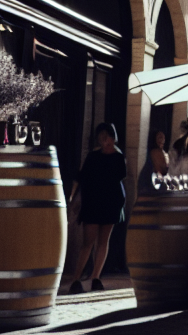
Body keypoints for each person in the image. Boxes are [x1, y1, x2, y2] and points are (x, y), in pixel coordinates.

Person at [65, 123, 127, 294]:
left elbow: (120, 176)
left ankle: (96, 277)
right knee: (88, 242)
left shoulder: (119, 157)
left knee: (103, 241)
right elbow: (81, 177)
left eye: (106, 135)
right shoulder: (93, 156)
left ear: (113, 137)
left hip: (111, 201)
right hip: (93, 201)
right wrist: (73, 197)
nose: (103, 138)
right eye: (100, 135)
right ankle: (76, 279)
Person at [138, 127, 170, 196]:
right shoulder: (153, 153)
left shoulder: (165, 154)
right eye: (159, 137)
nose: (161, 140)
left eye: (163, 138)